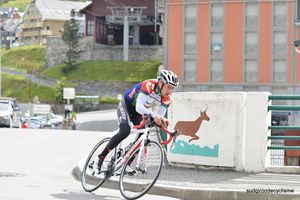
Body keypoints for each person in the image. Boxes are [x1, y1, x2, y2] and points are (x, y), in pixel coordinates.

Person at [94, 69, 179, 173]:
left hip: (139, 113)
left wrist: (162, 121)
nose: (170, 91)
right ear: (160, 83)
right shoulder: (148, 85)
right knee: (125, 130)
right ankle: (100, 158)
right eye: (168, 87)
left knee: (143, 136)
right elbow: (139, 107)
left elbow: (158, 117)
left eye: (172, 88)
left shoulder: (167, 98)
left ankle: (126, 163)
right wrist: (155, 116)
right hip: (127, 106)